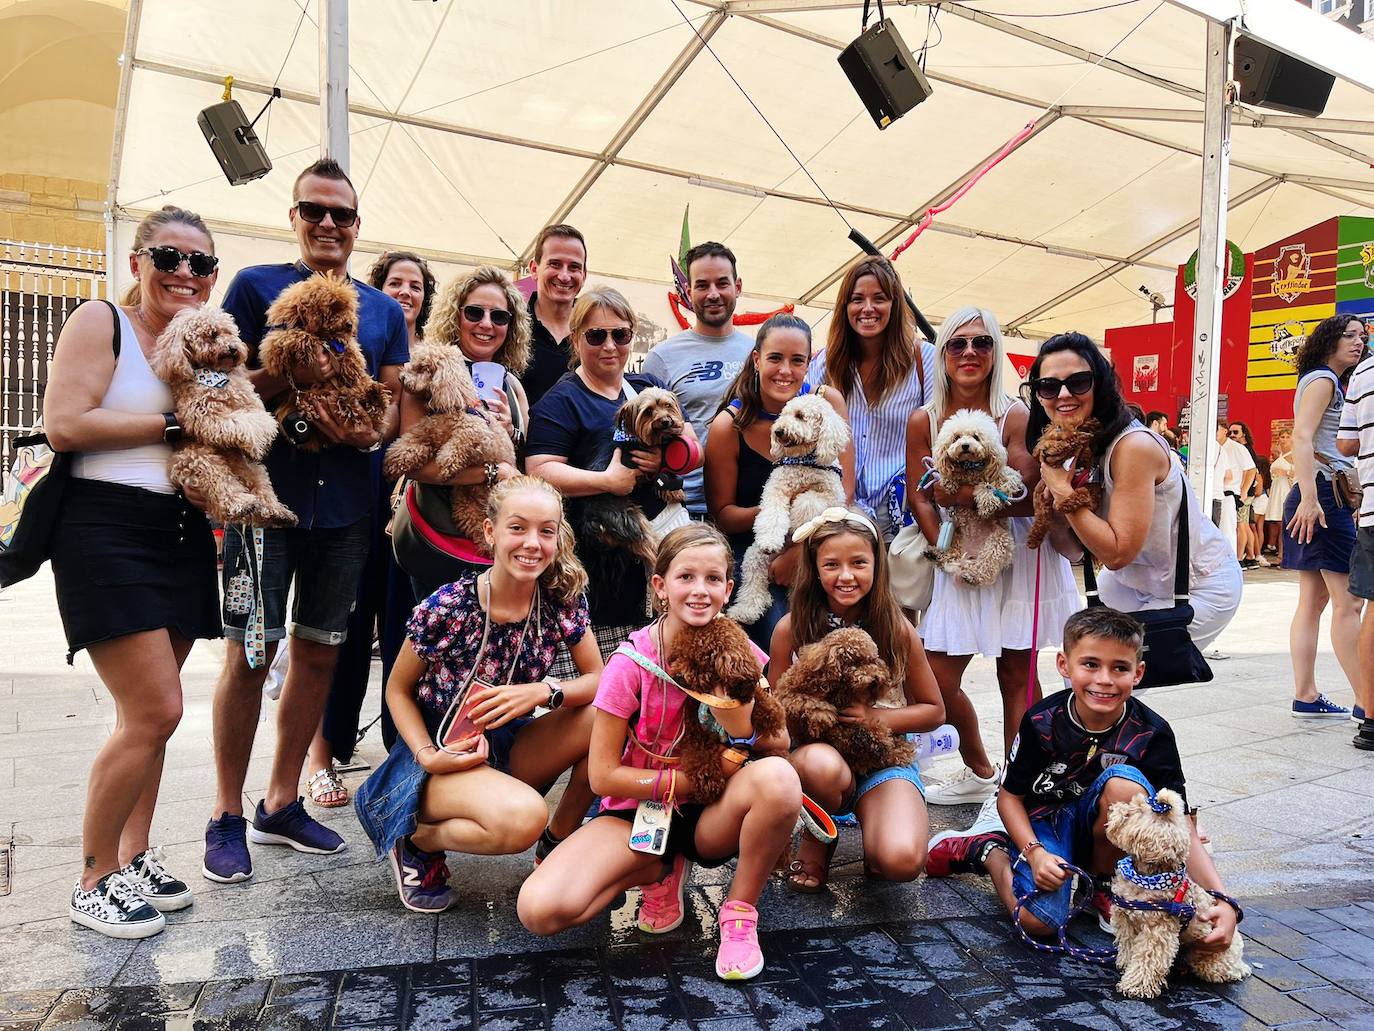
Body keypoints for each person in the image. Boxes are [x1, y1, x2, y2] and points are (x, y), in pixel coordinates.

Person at [203, 158, 409, 883]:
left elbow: (390, 408)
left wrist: (366, 435)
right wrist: (287, 376)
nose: (328, 224)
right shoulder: (255, 288)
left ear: (357, 225)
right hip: (265, 501)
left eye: (341, 214)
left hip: (348, 509)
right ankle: (227, 811)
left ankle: (282, 800)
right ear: (293, 217)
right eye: (314, 210)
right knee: (249, 653)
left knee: (319, 652)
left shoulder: (385, 312)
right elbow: (217, 389)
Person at [45, 206, 224, 937]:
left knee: (150, 711)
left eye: (201, 263)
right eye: (169, 256)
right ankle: (93, 878)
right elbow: (67, 423)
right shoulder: (102, 323)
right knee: (156, 709)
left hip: (178, 532)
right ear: (137, 262)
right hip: (102, 528)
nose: (185, 272)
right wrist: (175, 424)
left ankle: (134, 853)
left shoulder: (199, 347)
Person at [517, 523, 801, 982]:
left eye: (713, 579)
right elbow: (603, 775)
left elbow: (779, 742)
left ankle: (740, 912)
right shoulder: (629, 665)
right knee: (540, 910)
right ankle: (657, 866)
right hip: (640, 807)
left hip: (713, 815)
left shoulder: (741, 651)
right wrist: (690, 781)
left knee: (781, 780)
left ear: (729, 589)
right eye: (685, 577)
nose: (699, 591)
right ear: (660, 587)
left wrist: (739, 726)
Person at [925, 608, 1241, 955]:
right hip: (1045, 820)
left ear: (1138, 673)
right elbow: (1009, 797)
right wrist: (1035, 854)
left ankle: (1105, 882)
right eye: (1090, 664)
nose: (1104, 679)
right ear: (1064, 665)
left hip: (1102, 824)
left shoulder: (1153, 733)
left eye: (1119, 668)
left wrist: (1222, 900)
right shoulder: (1041, 721)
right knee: (1038, 921)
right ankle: (987, 850)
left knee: (1125, 786)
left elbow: (1179, 823)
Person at [353, 477, 604, 910]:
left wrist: (543, 691)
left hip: (507, 740)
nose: (532, 543)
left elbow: (600, 678)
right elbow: (397, 690)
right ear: (490, 532)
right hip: (438, 755)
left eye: (546, 531)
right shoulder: (450, 606)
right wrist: (425, 753)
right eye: (517, 528)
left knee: (604, 715)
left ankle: (556, 843)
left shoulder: (559, 600)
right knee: (521, 819)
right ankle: (412, 837)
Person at [905, 307, 1080, 807]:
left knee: (1017, 676)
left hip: (1016, 553)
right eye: (957, 344)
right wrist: (945, 548)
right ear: (941, 355)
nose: (969, 353)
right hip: (954, 555)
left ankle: (1022, 787)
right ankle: (981, 768)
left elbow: (1024, 493)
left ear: (996, 351)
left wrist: (953, 495)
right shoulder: (924, 418)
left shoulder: (1016, 413)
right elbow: (919, 494)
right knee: (935, 679)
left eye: (982, 343)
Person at [306, 251, 442, 806]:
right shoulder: (352, 350)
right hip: (353, 505)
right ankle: (320, 755)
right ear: (378, 294)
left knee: (406, 635)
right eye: (395, 283)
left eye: (415, 285)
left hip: (410, 520)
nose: (405, 293)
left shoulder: (434, 358)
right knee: (337, 634)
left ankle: (397, 752)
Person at [1026, 332, 1241, 655]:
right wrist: (1054, 508)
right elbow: (1074, 551)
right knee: (1082, 668)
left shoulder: (1133, 446)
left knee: (1109, 669)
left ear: (1100, 384)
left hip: (1198, 584)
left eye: (1079, 382)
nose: (1064, 394)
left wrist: (1061, 489)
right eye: (1049, 386)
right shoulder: (1081, 445)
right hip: (1135, 580)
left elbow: (1116, 553)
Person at [769, 508, 944, 891]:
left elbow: (933, 711)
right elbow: (774, 713)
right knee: (820, 765)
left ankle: (879, 830)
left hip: (881, 758)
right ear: (814, 569)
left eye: (858, 563)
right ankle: (820, 837)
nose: (845, 576)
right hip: (819, 759)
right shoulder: (791, 629)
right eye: (831, 564)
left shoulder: (896, 628)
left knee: (900, 863)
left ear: (876, 566)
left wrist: (872, 717)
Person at [526, 286, 700, 671]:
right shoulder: (562, 400)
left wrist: (660, 461)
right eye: (596, 335)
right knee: (607, 686)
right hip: (602, 569)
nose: (610, 345)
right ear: (576, 339)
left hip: (655, 568)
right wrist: (608, 480)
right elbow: (538, 470)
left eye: (620, 335)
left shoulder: (645, 386)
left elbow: (687, 442)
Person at [704, 313, 854, 650]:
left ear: (808, 364)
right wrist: (778, 509)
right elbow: (724, 515)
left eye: (797, 360)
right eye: (775, 358)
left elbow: (845, 491)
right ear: (757, 359)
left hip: (824, 540)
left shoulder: (827, 403)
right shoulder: (729, 427)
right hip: (757, 548)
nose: (785, 370)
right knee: (778, 630)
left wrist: (800, 550)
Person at [395, 266, 532, 599]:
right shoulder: (428, 371)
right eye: (474, 312)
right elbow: (411, 464)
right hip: (440, 540)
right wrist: (491, 471)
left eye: (499, 317)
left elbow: (520, 462)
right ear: (454, 316)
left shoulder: (512, 385)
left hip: (497, 546)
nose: (486, 323)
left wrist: (509, 432)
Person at [805, 256, 937, 540]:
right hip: (842, 518)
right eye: (857, 299)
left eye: (879, 298)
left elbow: (938, 436)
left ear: (895, 304)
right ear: (845, 306)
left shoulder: (924, 360)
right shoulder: (826, 363)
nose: (867, 308)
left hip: (905, 520)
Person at [1283, 314, 1367, 719]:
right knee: (1348, 602)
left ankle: (1306, 694)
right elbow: (1300, 436)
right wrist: (1311, 499)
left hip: (1315, 495)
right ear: (1329, 339)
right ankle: (1366, 701)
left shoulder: (1325, 380)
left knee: (1313, 602)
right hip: (1323, 498)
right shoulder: (1325, 380)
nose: (1358, 342)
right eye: (1349, 335)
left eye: (1363, 336)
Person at [643, 242, 757, 517]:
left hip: (748, 508)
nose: (713, 294)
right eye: (703, 285)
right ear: (688, 292)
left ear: (738, 287)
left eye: (722, 283)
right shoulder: (662, 358)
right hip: (685, 509)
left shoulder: (759, 353)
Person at [1337, 340, 1374, 745]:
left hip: (1373, 505)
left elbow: (1346, 443)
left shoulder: (1363, 372)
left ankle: (1371, 720)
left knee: (1372, 610)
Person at [522, 224, 588, 409]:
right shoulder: (510, 326)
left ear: (584, 275)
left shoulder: (597, 333)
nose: (564, 276)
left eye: (574, 267)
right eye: (555, 264)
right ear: (534, 269)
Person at [1212, 420, 1255, 547]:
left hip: (1229, 492)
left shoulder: (1237, 448)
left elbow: (1251, 469)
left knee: (1228, 529)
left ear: (1224, 431)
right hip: (1215, 492)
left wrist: (1244, 491)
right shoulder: (1215, 447)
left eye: (1217, 429)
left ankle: (1232, 560)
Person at [1227, 421, 1262, 568]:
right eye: (1230, 432)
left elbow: (1252, 471)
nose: (1232, 435)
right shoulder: (1240, 448)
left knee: (1241, 524)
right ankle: (1250, 556)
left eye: (1236, 432)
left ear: (1244, 434)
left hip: (1244, 492)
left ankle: (1242, 557)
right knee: (1245, 525)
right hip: (1243, 491)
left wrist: (1244, 490)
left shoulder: (1244, 449)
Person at [1265, 428, 1294, 561]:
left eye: (1287, 436)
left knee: (1285, 523)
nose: (1284, 439)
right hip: (1277, 489)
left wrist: (1286, 473)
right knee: (1277, 523)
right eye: (1282, 437)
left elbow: (1300, 472)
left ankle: (1284, 555)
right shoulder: (1280, 455)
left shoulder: (1294, 454)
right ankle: (1282, 554)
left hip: (1286, 490)